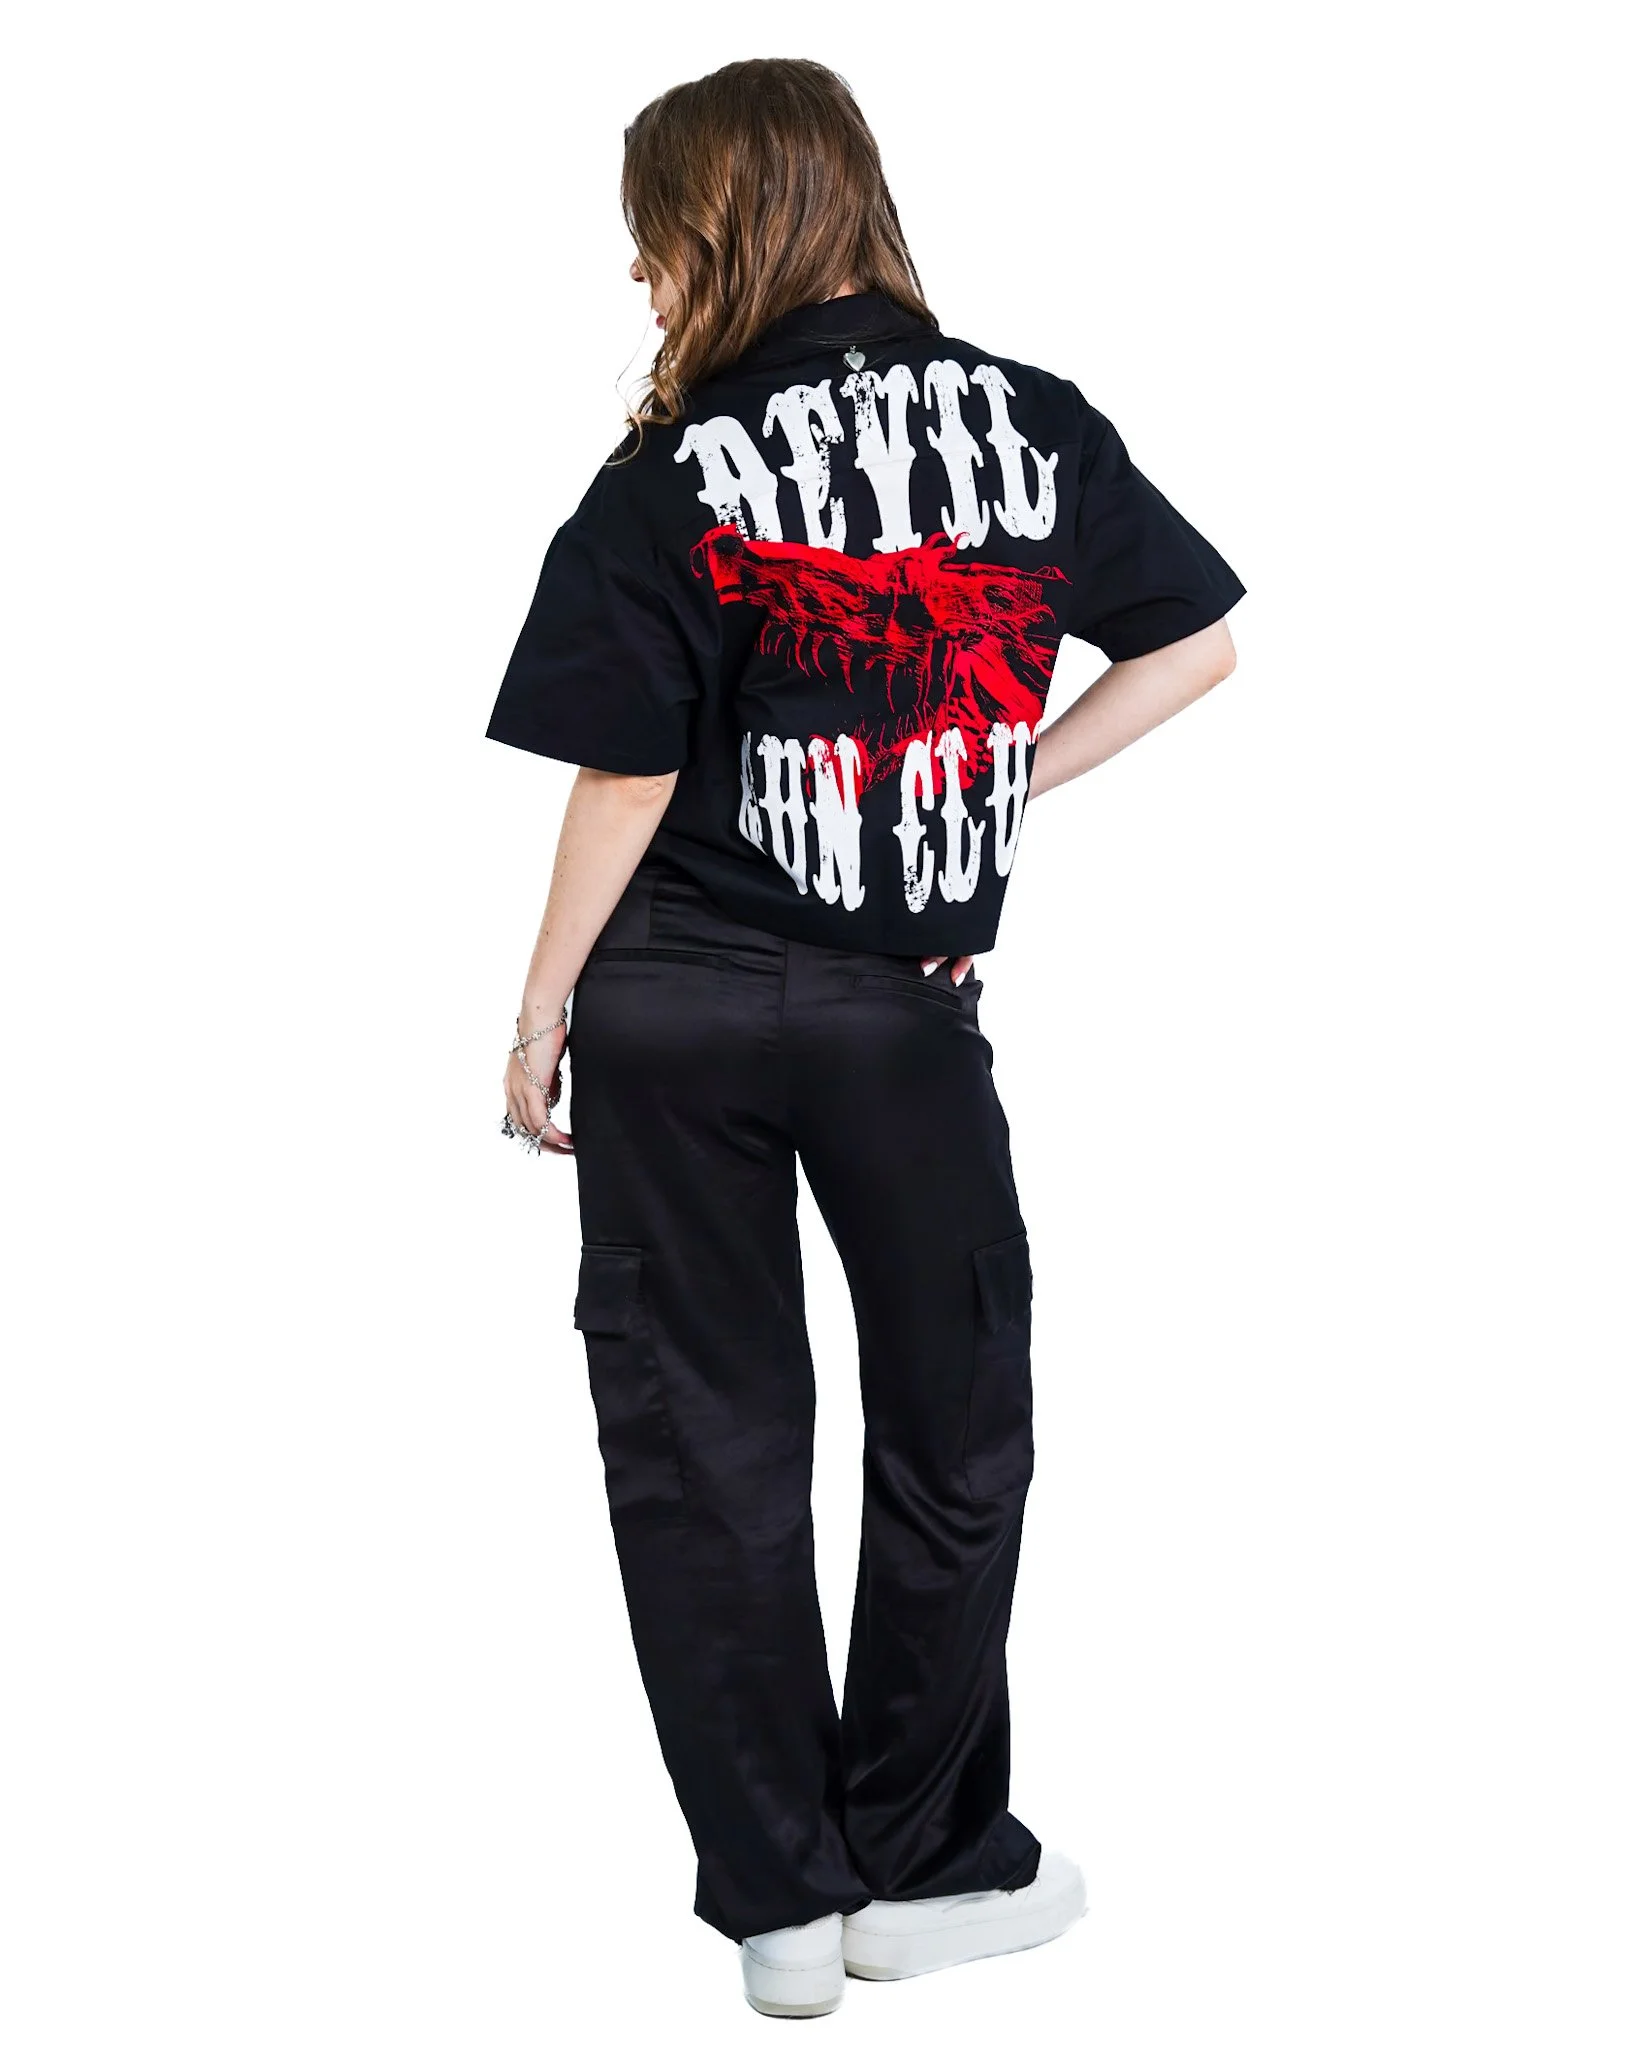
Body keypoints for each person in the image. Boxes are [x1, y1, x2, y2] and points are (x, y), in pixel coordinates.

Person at [487, 57, 1243, 2020]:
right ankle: (922, 1859)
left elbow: (623, 770)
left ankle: (780, 1903)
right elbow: (1196, 644)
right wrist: (984, 795)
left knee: (702, 1434)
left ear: (723, 219)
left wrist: (541, 1008)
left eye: (653, 235)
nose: (639, 277)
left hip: (671, 1002)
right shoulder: (1029, 425)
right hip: (899, 1010)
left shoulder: (671, 470)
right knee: (955, 1415)